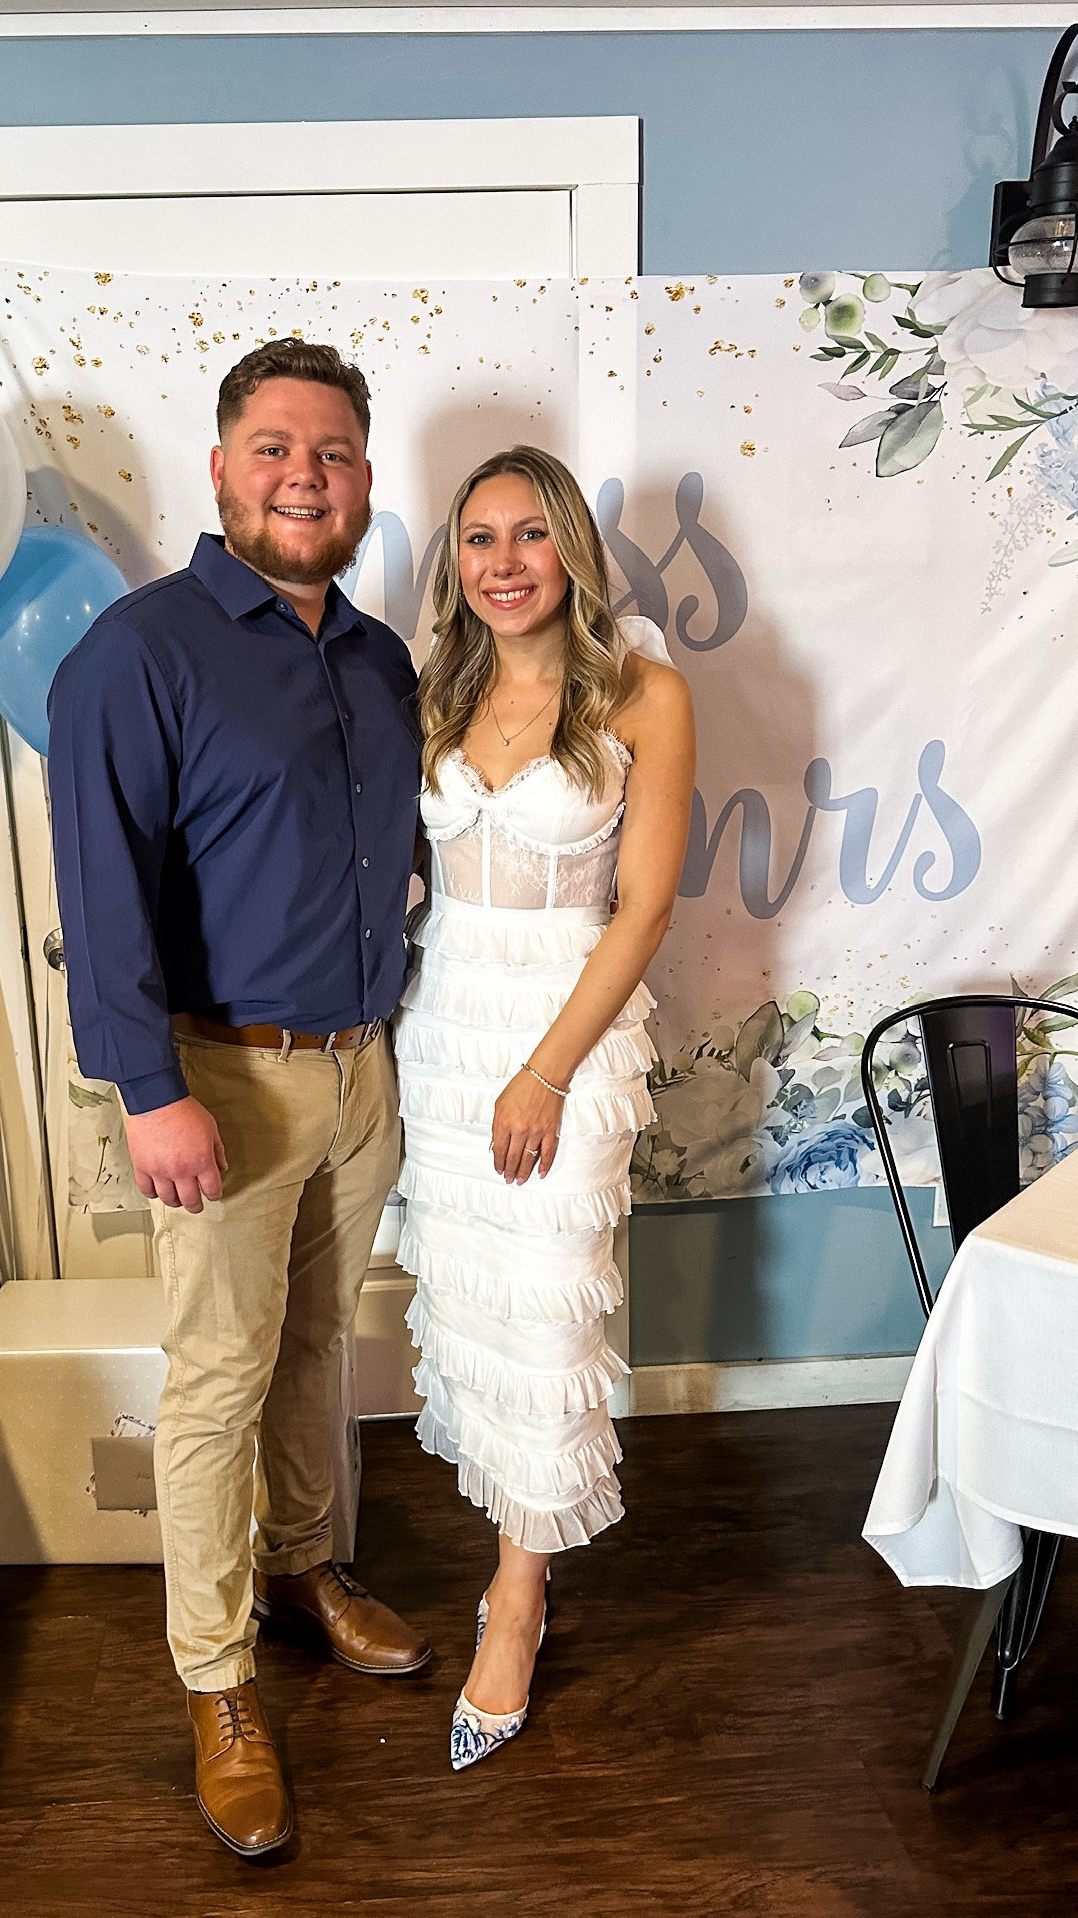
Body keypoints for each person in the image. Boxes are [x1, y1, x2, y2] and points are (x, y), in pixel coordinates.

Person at [48, 339, 429, 1860]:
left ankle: (302, 1566)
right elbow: (102, 887)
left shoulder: (380, 657)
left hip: (359, 1068)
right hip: (220, 1081)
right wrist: (151, 1088)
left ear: (362, 480)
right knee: (214, 1380)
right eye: (275, 447)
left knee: (317, 1347)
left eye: (331, 452)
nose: (304, 476)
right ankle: (217, 1679)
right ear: (219, 467)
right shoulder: (135, 654)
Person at [395, 444, 695, 1769]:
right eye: (478, 539)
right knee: (475, 1301)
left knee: (550, 1294)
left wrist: (547, 1069)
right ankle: (509, 1552)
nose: (503, 562)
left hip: (563, 1033)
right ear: (454, 563)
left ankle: (517, 1597)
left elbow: (644, 908)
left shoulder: (644, 694)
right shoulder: (430, 692)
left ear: (570, 548)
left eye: (528, 535)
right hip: (445, 1027)